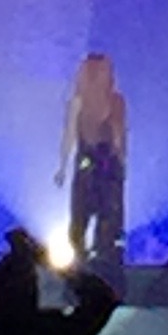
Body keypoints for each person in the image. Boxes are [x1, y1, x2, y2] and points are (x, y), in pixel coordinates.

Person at [56, 51, 129, 272]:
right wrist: (62, 166)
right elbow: (118, 136)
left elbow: (119, 135)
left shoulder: (112, 102)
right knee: (95, 213)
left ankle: (93, 258)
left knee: (89, 213)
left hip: (97, 162)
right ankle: (94, 258)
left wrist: (63, 167)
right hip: (100, 162)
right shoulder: (94, 102)